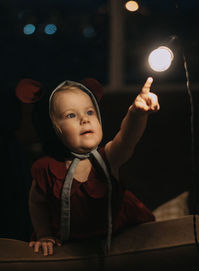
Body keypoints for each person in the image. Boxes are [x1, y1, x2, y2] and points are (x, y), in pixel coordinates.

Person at [29, 77, 160, 256]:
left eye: (90, 112)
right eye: (71, 115)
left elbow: (127, 138)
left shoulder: (108, 158)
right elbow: (37, 203)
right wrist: (44, 234)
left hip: (118, 227)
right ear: (53, 128)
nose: (84, 119)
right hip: (70, 236)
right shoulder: (46, 169)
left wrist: (136, 113)